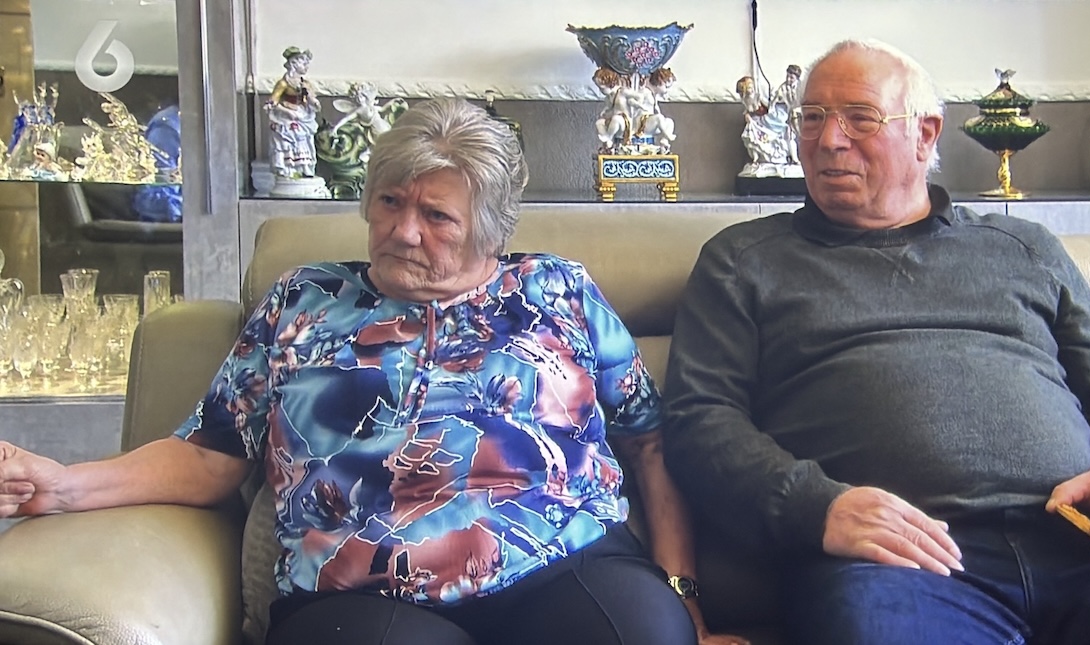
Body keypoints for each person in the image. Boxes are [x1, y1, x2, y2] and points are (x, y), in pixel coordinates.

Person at [0, 97, 746, 645]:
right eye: (389, 202)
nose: (402, 229)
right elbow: (209, 454)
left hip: (565, 563)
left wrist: (683, 593)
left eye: (436, 216)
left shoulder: (556, 291)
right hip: (365, 587)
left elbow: (649, 439)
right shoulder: (306, 300)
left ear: (489, 232)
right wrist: (67, 483)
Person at [662, 38, 1090, 645]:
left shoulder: (1024, 248)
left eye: (859, 118)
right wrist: (816, 507)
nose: (828, 139)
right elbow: (699, 420)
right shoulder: (743, 261)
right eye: (812, 117)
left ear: (925, 133)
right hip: (898, 568)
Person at [265, 46, 321, 178]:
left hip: (302, 115)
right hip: (287, 117)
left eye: (307, 63)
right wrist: (286, 111)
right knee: (287, 142)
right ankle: (287, 167)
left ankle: (305, 167)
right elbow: (272, 102)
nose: (306, 66)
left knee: (303, 142)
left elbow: (310, 99)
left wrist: (314, 103)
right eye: (303, 62)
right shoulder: (284, 83)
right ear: (293, 63)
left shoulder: (305, 83)